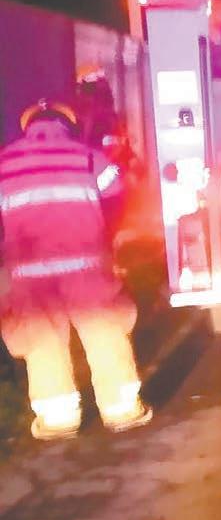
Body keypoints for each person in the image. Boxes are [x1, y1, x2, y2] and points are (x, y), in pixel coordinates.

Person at [0, 100, 151, 439]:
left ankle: (58, 418)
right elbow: (118, 197)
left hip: (28, 271)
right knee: (103, 329)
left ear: (28, 127)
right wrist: (109, 238)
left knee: (41, 337)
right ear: (67, 125)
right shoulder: (89, 158)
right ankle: (122, 409)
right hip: (86, 264)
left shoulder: (4, 164)